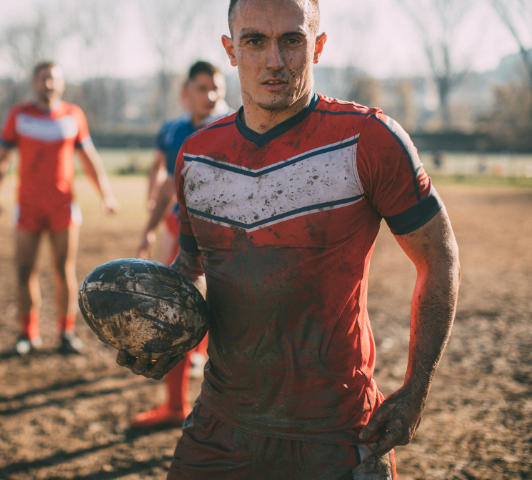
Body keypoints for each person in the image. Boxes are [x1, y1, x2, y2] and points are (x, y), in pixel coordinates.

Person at [117, 0, 461, 478]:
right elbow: (190, 270)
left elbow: (439, 258)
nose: (274, 60)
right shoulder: (197, 155)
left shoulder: (369, 139)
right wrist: (153, 333)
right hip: (221, 426)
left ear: (317, 46)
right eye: (255, 41)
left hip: (337, 431)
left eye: (292, 40)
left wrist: (416, 388)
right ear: (231, 50)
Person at [0, 62, 120, 355]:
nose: (48, 84)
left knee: (63, 270)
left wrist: (106, 195)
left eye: (53, 79)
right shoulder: (19, 115)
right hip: (28, 206)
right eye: (43, 78)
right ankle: (28, 334)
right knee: (24, 271)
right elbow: (0, 158)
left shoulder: (73, 115)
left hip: (63, 206)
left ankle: (66, 333)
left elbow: (89, 159)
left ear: (61, 84)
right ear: (34, 82)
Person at [132, 61, 230, 429]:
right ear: (186, 92)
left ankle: (207, 379)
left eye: (216, 87)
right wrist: (149, 228)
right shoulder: (174, 131)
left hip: (225, 239)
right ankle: (175, 405)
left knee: (222, 317)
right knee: (174, 312)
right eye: (203, 87)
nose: (211, 95)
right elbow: (167, 184)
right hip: (182, 230)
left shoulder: (236, 126)